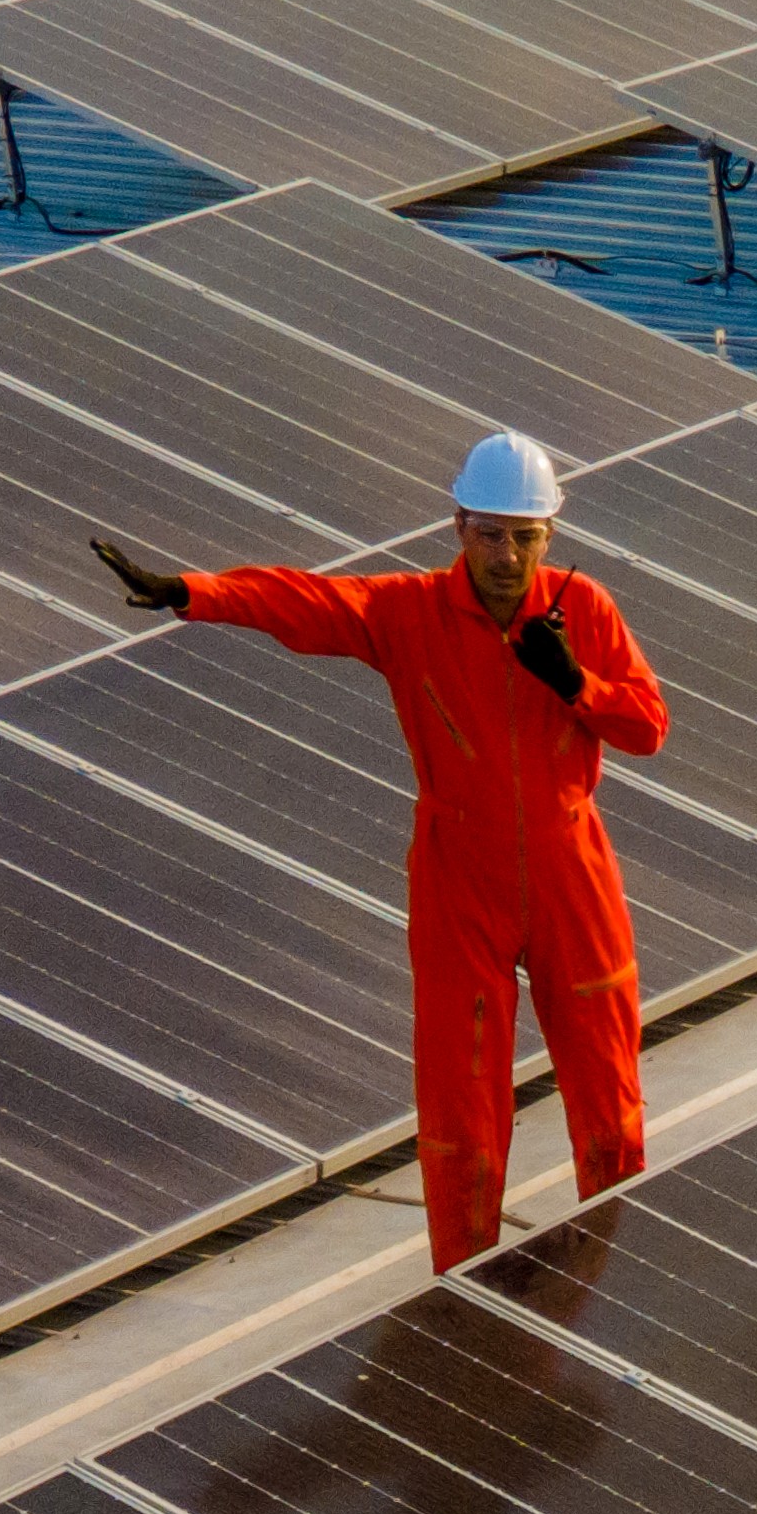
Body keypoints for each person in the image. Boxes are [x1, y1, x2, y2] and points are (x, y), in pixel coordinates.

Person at [96, 431, 668, 1270]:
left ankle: (621, 1272)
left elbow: (647, 727)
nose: (506, 556)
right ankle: (462, 1277)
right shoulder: (412, 612)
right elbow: (306, 601)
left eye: (525, 536)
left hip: (570, 866)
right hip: (456, 873)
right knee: (460, 1092)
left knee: (605, 1073)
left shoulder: (585, 609)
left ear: (550, 535)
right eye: (489, 534)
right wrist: (192, 591)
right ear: (457, 526)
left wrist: (575, 682)